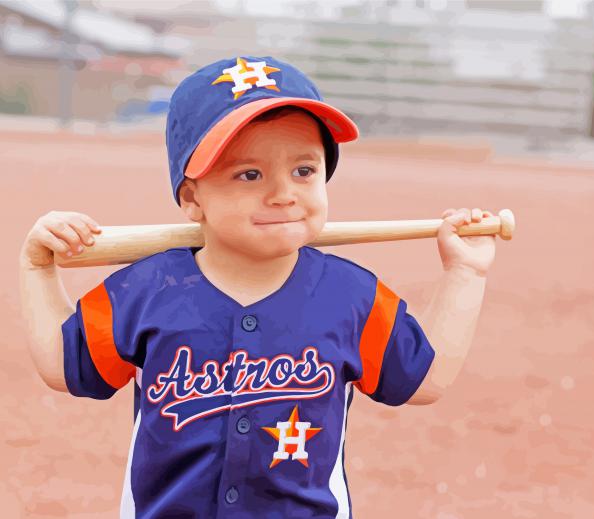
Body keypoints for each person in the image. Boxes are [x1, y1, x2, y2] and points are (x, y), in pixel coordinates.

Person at [18, 55, 497, 518]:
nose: (284, 192)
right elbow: (67, 366)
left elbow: (421, 378)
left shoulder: (351, 296)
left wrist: (465, 273)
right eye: (249, 174)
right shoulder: (146, 289)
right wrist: (38, 268)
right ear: (192, 198)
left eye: (304, 171)